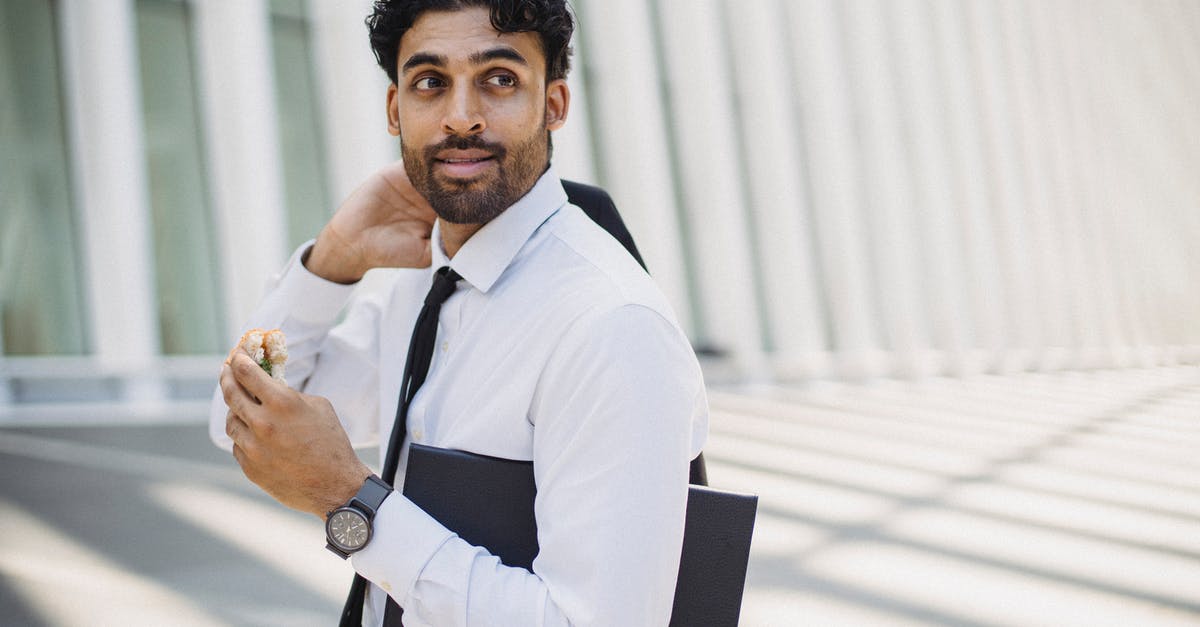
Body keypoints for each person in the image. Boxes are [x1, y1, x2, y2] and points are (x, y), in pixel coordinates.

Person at [211, 0, 707, 625]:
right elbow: (242, 422)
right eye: (430, 82)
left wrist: (350, 500)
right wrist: (329, 263)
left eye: (499, 79)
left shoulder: (611, 326)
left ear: (553, 104)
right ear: (396, 110)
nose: (461, 117)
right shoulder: (420, 283)